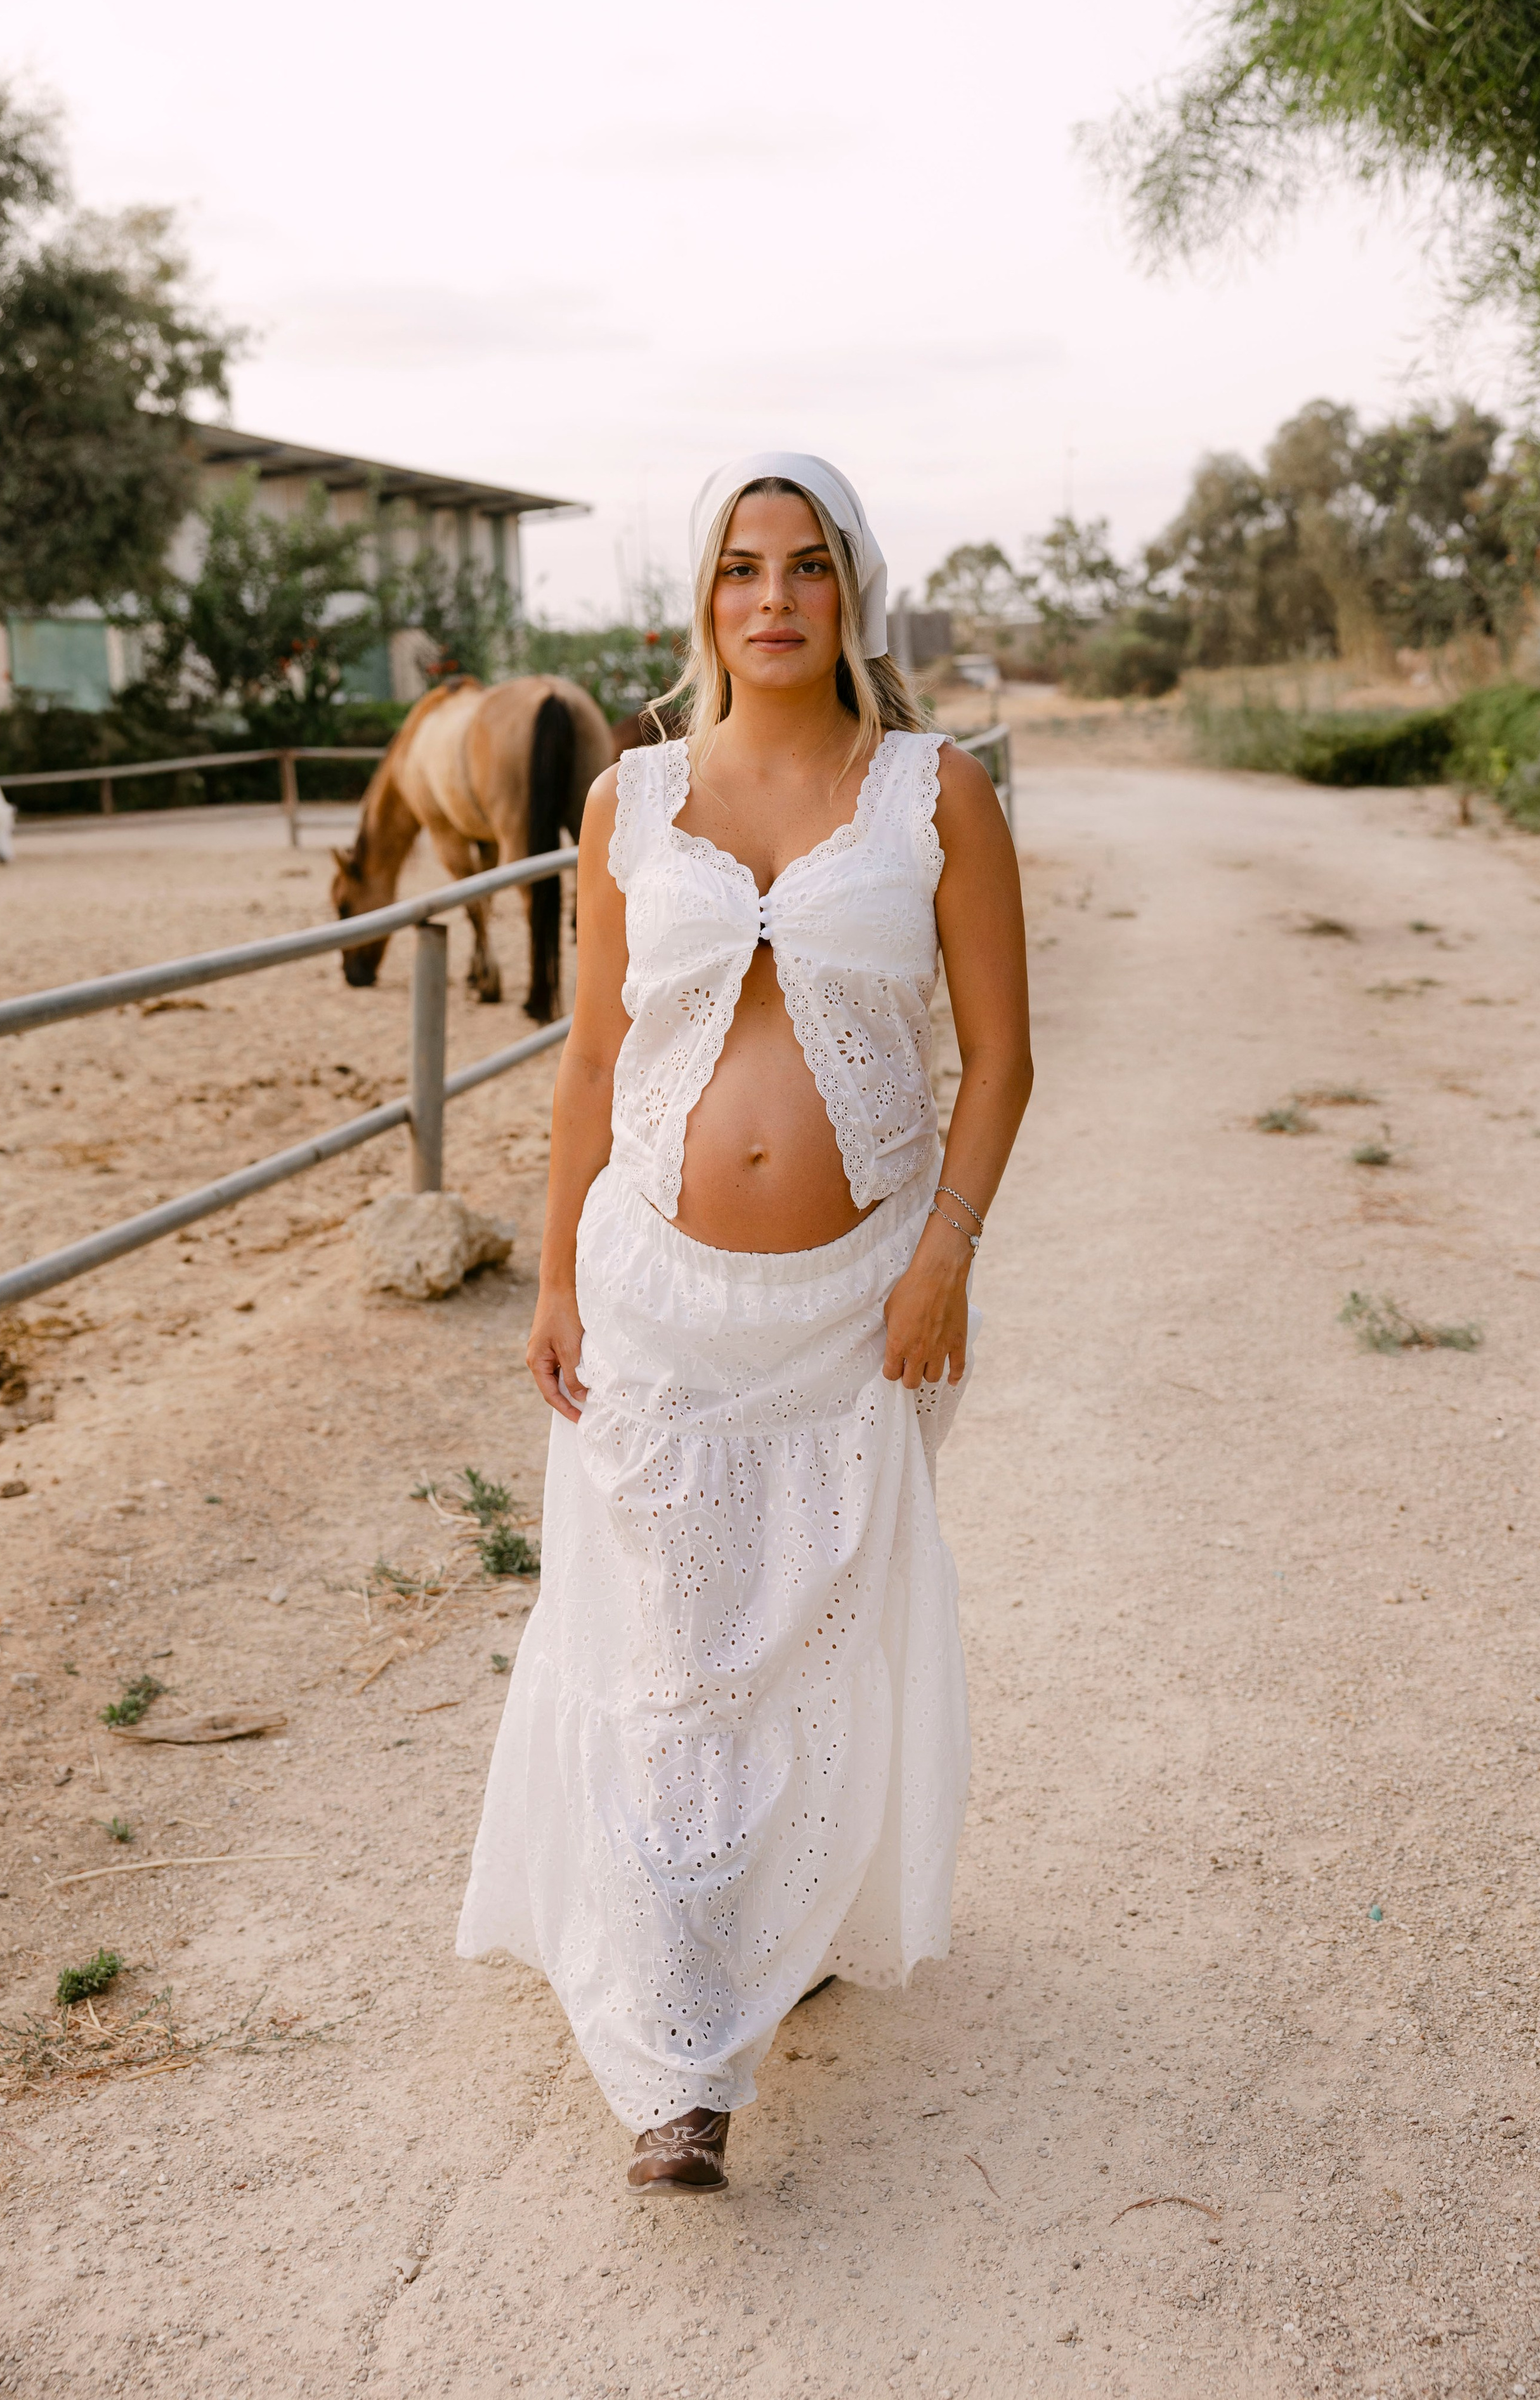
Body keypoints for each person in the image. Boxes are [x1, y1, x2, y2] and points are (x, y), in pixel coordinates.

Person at [457, 452, 1032, 2194]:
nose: (770, 597)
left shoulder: (938, 795)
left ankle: (768, 1931)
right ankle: (684, 2057)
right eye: (737, 568)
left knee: (813, 1642)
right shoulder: (631, 801)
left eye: (803, 566)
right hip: (658, 1294)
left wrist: (942, 1261)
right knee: (678, 1652)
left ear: (850, 589)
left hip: (859, 1304)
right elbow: (589, 1057)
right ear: (703, 600)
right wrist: (556, 1274)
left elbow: (1002, 1059)